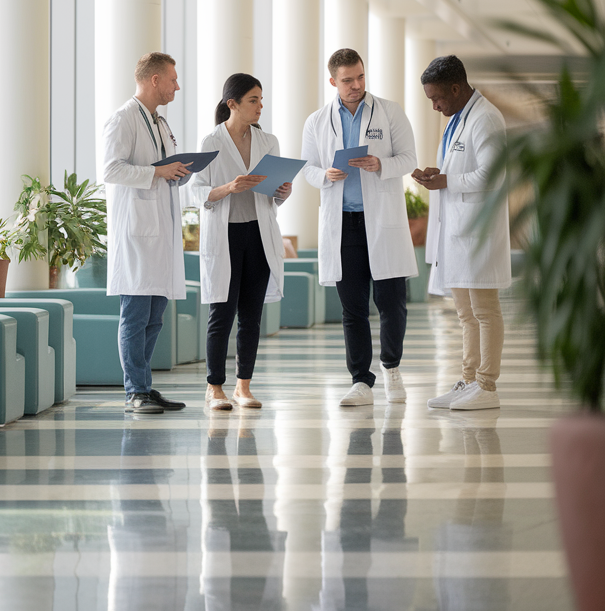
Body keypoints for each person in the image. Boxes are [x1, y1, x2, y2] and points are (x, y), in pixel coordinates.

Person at [301, 48, 418, 407]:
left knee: (391, 301)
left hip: (381, 219)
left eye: (360, 77)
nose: (356, 85)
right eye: (348, 80)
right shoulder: (317, 121)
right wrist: (325, 175)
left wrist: (379, 163)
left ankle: (391, 368)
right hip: (344, 223)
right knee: (352, 307)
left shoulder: (390, 111)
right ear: (333, 81)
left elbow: (409, 159)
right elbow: (307, 167)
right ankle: (361, 381)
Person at [412, 55, 511, 411]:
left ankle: (487, 385)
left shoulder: (485, 118)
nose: (435, 106)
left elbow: (493, 174)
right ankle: (468, 380)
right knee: (466, 314)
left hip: (477, 232)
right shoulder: (457, 120)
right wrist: (438, 175)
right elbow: (462, 168)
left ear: (456, 88)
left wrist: (447, 180)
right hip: (457, 232)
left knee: (485, 311)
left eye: (437, 98)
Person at [191, 74, 291, 411]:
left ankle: (243, 387)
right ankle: (214, 387)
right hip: (226, 234)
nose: (260, 106)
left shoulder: (269, 141)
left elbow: (272, 197)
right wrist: (227, 188)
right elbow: (196, 191)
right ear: (232, 104)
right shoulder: (211, 142)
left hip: (259, 234)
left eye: (261, 100)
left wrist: (282, 192)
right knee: (222, 312)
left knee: (251, 316)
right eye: (253, 100)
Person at [102, 51, 191, 414]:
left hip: (160, 231)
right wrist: (157, 173)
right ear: (154, 79)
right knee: (135, 315)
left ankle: (145, 386)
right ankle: (133, 392)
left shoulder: (158, 122)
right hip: (137, 235)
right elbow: (111, 169)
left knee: (155, 317)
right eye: (172, 79)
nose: (176, 85)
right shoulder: (123, 119)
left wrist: (177, 171)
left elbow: (161, 167)